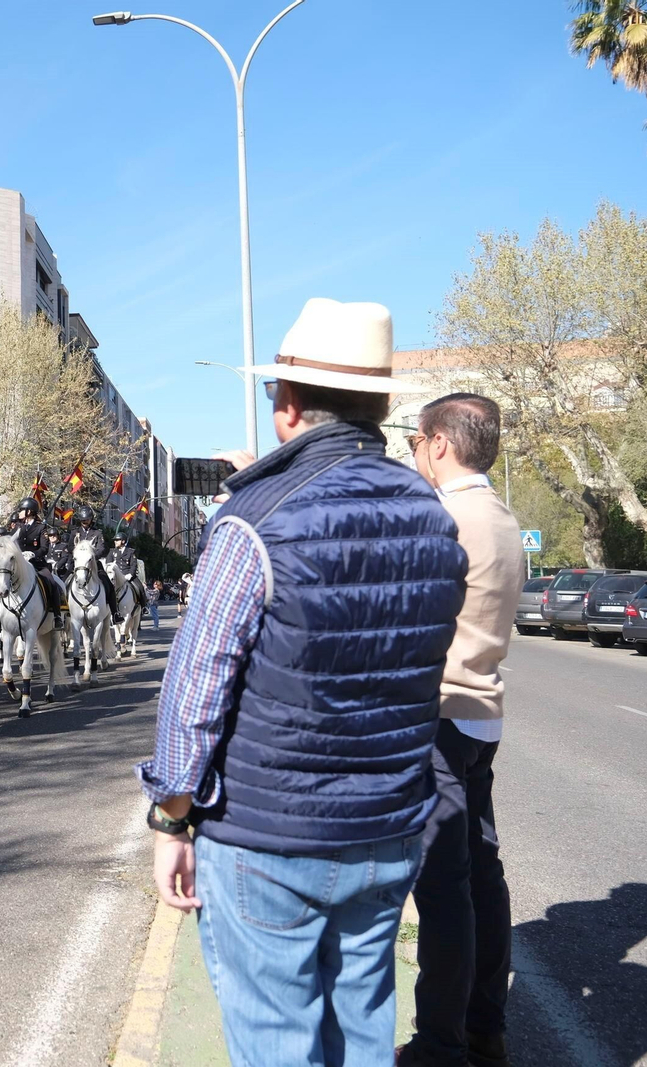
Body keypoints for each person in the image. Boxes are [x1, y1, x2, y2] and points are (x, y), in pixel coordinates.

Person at [137, 297, 466, 1066]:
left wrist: (171, 819)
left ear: (287, 406)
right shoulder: (432, 513)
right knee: (362, 1032)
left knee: (280, 1044)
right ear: (380, 407)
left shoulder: (254, 517)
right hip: (387, 828)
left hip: (266, 837)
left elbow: (196, 689)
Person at [397, 394, 524, 1067]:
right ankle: (485, 1026)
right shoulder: (501, 517)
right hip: (483, 715)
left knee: (444, 891)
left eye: (415, 440)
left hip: (440, 717)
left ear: (440, 442)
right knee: (482, 874)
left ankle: (440, 1045)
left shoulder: (440, 518)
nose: (414, 452)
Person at [6, 496, 63, 631]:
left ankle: (57, 616)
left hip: (36, 563)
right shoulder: (17, 527)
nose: (19, 512)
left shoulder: (41, 528)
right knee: (0, 581)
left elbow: (44, 548)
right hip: (18, 564)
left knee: (52, 582)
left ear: (29, 512)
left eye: (22, 510)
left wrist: (32, 555)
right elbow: (10, 543)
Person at [70, 505, 118, 609]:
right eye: (82, 520)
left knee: (108, 584)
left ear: (91, 519)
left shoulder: (97, 533)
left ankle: (115, 613)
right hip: (77, 564)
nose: (84, 522)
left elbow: (102, 548)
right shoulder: (75, 532)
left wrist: (91, 556)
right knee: (64, 581)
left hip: (94, 563)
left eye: (86, 520)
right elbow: (70, 547)